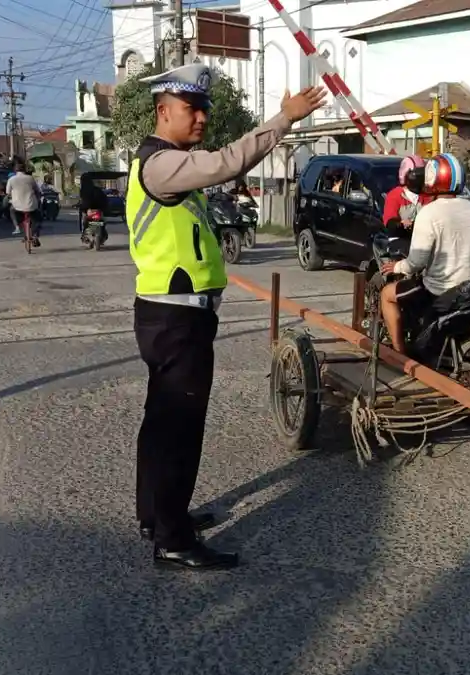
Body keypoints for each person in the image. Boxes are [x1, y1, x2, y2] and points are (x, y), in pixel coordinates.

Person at [128, 62, 326, 571]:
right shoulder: (160, 165)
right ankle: (172, 540)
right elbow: (228, 162)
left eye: (204, 110)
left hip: (168, 316)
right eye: (192, 109)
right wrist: (282, 119)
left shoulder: (169, 163)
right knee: (179, 428)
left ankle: (158, 514)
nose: (200, 119)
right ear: (163, 110)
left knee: (161, 424)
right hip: (176, 320)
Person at [379, 153, 470, 356]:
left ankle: (400, 354)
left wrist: (397, 267)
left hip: (439, 289)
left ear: (431, 178)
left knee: (387, 295)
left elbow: (416, 263)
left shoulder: (429, 213)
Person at [382, 155, 432, 236]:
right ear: (406, 175)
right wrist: (400, 224)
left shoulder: (427, 195)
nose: (420, 180)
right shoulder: (395, 195)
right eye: (417, 176)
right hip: (401, 239)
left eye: (422, 176)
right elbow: (389, 221)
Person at [6, 160, 42, 242]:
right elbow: (37, 190)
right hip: (31, 205)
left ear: (15, 170)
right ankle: (35, 234)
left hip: (17, 206)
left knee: (11, 210)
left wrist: (11, 197)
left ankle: (17, 227)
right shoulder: (30, 178)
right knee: (37, 218)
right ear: (25, 170)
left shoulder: (11, 179)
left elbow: (8, 193)